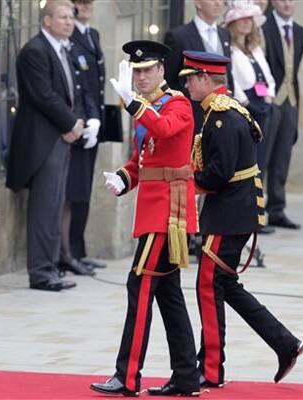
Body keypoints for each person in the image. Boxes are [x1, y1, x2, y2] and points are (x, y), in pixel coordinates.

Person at [180, 50, 303, 387]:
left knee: (208, 285)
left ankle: (209, 369)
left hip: (228, 215)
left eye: (191, 78)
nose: (188, 85)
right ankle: (285, 343)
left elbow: (218, 174)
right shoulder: (226, 110)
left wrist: (187, 182)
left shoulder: (220, 117)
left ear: (207, 79)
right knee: (224, 285)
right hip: (235, 211)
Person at [90, 41, 200, 397]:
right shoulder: (146, 107)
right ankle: (186, 376)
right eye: (136, 72)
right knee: (168, 294)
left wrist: (134, 104)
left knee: (139, 286)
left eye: (147, 70)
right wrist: (123, 178)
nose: (140, 77)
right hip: (153, 210)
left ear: (162, 71)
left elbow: (166, 130)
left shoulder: (178, 104)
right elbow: (143, 160)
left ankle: (128, 376)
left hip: (169, 212)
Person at [6, 0, 85, 292]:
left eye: (71, 17)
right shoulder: (35, 51)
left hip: (60, 136)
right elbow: (44, 95)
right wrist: (69, 124)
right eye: (63, 17)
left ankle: (51, 266)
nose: (69, 22)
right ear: (47, 21)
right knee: (44, 207)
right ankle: (40, 272)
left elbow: (70, 94)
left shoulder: (63, 48)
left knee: (54, 206)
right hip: (43, 140)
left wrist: (75, 123)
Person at [61, 0, 107, 272]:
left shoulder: (93, 34)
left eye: (89, 2)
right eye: (80, 2)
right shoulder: (70, 36)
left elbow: (96, 85)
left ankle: (79, 248)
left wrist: (97, 119)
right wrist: (86, 117)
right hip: (76, 121)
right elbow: (81, 85)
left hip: (92, 120)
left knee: (84, 189)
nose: (86, 6)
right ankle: (69, 252)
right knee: (73, 191)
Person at [261, 0, 303, 229]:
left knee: (282, 158)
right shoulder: (263, 27)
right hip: (269, 100)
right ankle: (256, 210)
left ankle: (277, 209)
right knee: (263, 156)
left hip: (291, 99)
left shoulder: (300, 32)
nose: (287, 4)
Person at [164, 0, 233, 131]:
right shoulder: (178, 36)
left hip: (223, 111)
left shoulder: (225, 34)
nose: (218, 3)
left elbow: (228, 74)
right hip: (194, 114)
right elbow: (169, 79)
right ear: (198, 3)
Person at [225, 0, 275, 176]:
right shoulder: (229, 49)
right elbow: (231, 78)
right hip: (244, 106)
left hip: (262, 104)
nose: (247, 22)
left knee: (260, 155)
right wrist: (246, 102)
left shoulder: (255, 48)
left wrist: (269, 96)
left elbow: (267, 76)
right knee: (246, 155)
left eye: (249, 18)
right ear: (232, 23)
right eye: (242, 18)